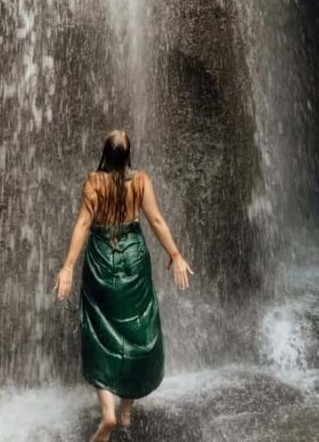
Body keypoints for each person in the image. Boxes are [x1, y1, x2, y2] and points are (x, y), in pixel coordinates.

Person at [54, 129, 194, 442]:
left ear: (105, 153)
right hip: (133, 257)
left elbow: (82, 225)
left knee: (100, 333)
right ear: (129, 155)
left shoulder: (94, 182)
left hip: (102, 258)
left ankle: (110, 414)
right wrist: (176, 256)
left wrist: (67, 268)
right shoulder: (141, 180)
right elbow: (156, 221)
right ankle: (127, 408)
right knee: (137, 329)